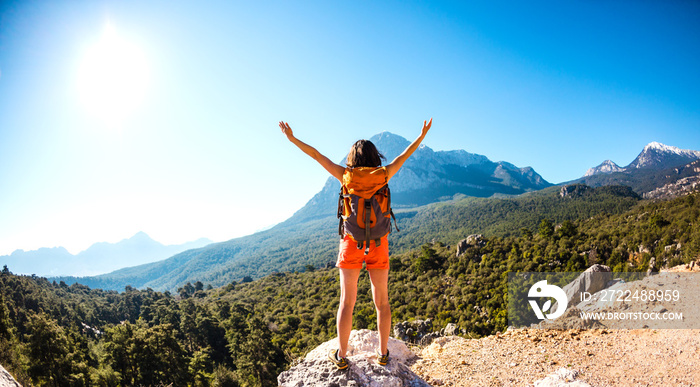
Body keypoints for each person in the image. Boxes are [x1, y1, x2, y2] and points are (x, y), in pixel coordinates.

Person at [279, 118, 432, 369]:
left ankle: (341, 356)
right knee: (382, 302)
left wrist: (292, 138)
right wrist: (422, 135)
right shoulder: (384, 174)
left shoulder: (345, 175)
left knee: (347, 302)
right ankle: (383, 354)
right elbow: (406, 154)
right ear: (374, 156)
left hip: (351, 244)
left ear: (352, 157)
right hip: (379, 244)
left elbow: (317, 155)